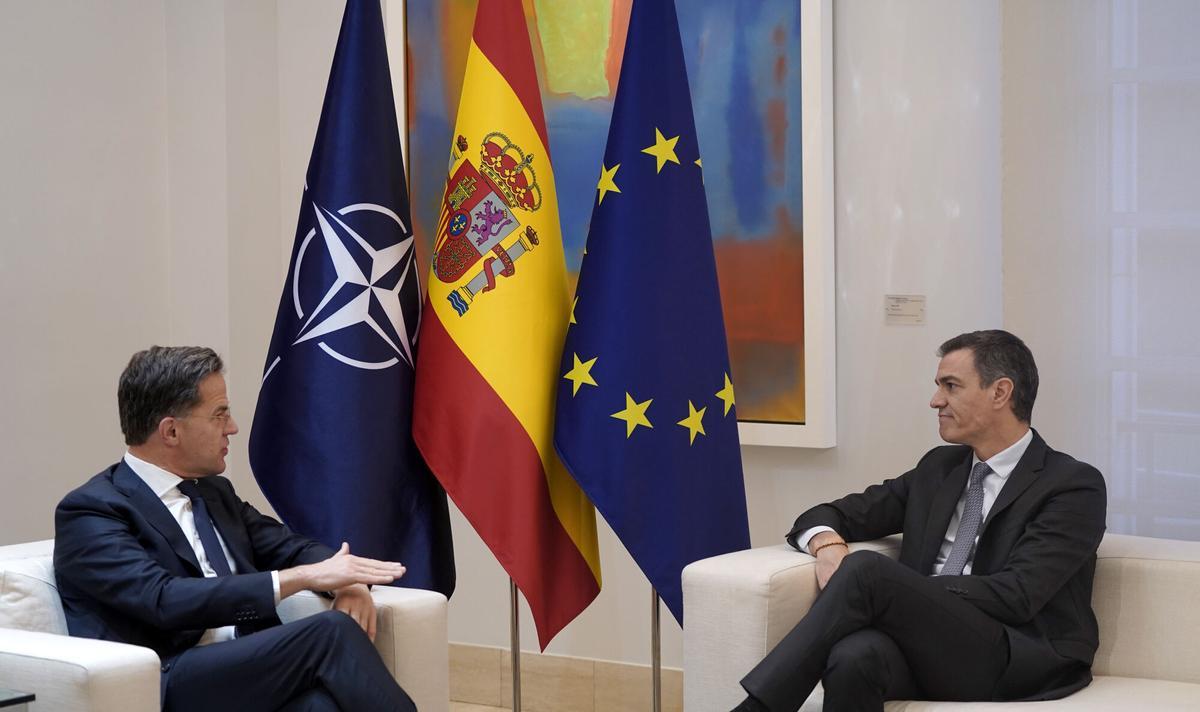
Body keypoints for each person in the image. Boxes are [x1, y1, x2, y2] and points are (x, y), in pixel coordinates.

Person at [733, 330, 1107, 712]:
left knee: (867, 572)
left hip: (1016, 655)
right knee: (854, 656)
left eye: (951, 386)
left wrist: (908, 591)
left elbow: (1019, 595)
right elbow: (830, 514)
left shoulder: (1072, 484)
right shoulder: (938, 469)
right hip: (935, 646)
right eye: (938, 386)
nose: (935, 400)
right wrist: (827, 543)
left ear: (1000, 392)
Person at [54, 346, 417, 712]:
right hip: (171, 678)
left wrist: (348, 581)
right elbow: (163, 600)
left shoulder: (212, 492)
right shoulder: (93, 511)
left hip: (247, 671)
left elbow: (290, 547)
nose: (233, 427)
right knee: (332, 632)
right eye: (219, 414)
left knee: (320, 707)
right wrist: (304, 577)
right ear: (172, 431)